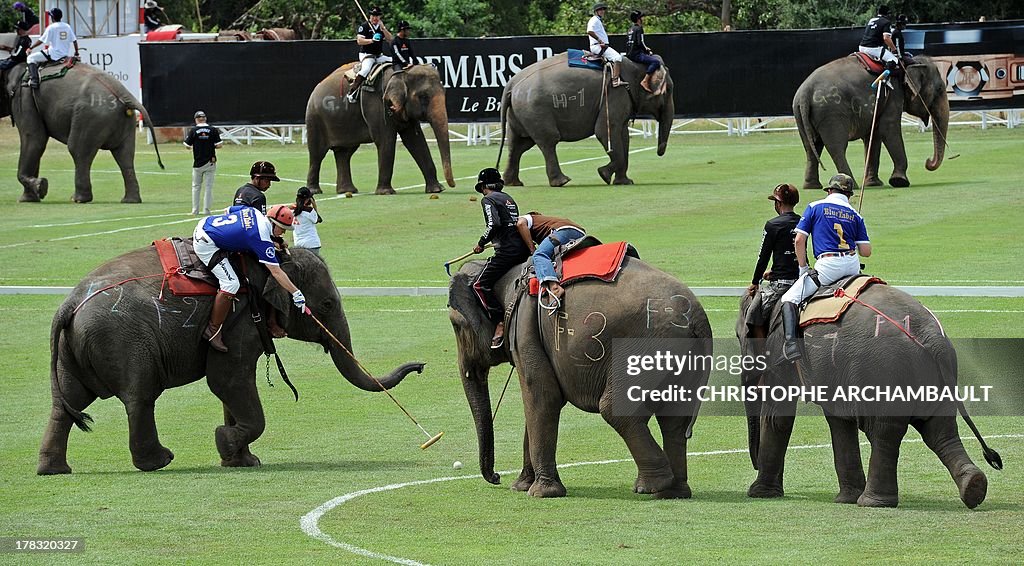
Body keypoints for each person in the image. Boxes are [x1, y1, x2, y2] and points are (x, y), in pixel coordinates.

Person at [778, 174, 871, 362]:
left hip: (828, 266)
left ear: (829, 190)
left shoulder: (815, 206)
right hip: (852, 266)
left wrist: (803, 268)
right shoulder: (855, 214)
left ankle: (791, 345)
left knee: (789, 298)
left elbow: (799, 240)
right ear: (849, 194)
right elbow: (866, 251)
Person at [192, 204, 307, 352]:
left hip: (205, 224)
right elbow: (276, 272)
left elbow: (227, 210)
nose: (283, 232)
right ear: (273, 223)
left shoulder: (254, 212)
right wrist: (296, 293)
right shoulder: (261, 238)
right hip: (206, 244)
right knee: (231, 283)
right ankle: (213, 330)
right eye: (282, 228)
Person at [471, 168, 530, 348]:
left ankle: (499, 321)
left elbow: (493, 224)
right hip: (521, 249)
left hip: (508, 252)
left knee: (479, 285)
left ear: (482, 186)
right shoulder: (508, 198)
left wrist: (481, 243)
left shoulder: (487, 199)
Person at [746, 183, 801, 333]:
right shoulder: (803, 221)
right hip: (802, 280)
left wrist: (755, 282)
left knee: (752, 317)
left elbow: (763, 257)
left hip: (782, 285)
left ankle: (758, 354)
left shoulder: (773, 224)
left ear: (779, 203)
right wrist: (774, 271)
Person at [515, 212, 586, 306]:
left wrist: (532, 249)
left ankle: (555, 288)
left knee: (539, 255)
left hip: (563, 230)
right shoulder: (543, 224)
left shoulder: (525, 218)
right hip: (580, 232)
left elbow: (520, 224)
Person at [347, 6, 393, 104]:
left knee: (394, 60)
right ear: (370, 16)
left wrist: (384, 29)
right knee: (366, 69)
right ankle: (352, 92)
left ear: (380, 17)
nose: (375, 18)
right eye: (373, 15)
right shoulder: (364, 26)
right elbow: (359, 41)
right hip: (366, 55)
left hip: (379, 56)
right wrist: (371, 40)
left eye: (377, 16)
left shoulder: (380, 27)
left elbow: (390, 40)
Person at [25, 8, 78, 89]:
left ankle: (34, 80)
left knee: (30, 58)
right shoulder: (67, 26)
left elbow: (41, 40)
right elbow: (74, 41)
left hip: (53, 54)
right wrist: (76, 52)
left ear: (52, 17)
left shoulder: (51, 27)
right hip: (64, 54)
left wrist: (31, 48)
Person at [183, 110, 223, 216]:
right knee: (208, 187)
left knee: (196, 187)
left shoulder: (193, 130)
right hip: (210, 162)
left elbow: (187, 145)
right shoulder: (213, 130)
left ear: (196, 120)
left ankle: (195, 210)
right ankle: (206, 210)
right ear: (205, 119)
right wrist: (210, 146)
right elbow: (219, 145)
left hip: (198, 163)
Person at [587, 2, 624, 87]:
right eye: (600, 10)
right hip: (597, 46)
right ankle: (615, 81)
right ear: (596, 11)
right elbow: (589, 31)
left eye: (603, 9)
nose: (602, 11)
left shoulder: (598, 20)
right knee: (617, 57)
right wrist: (599, 40)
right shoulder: (594, 19)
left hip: (599, 46)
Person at [625, 10, 661, 93]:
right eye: (641, 17)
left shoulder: (630, 29)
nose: (643, 19)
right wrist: (647, 50)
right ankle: (645, 81)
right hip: (636, 55)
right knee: (656, 62)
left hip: (629, 54)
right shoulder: (639, 28)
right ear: (638, 19)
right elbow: (640, 42)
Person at [291, 186, 323, 256]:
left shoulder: (292, 210)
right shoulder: (309, 211)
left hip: (298, 245)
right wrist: (314, 205)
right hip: (312, 244)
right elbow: (318, 219)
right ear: (308, 199)